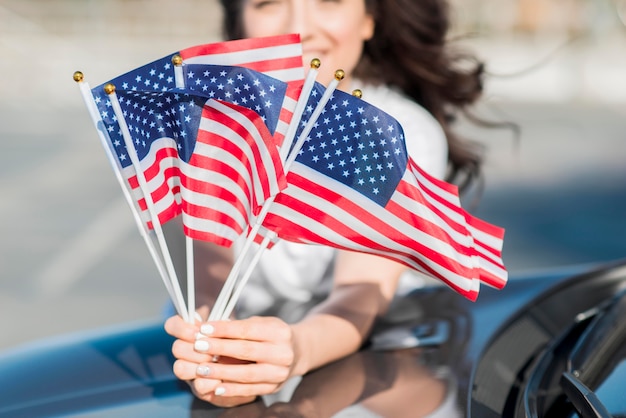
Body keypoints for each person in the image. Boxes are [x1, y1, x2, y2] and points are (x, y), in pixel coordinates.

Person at [164, 0, 486, 409]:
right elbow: (208, 283)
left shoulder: (391, 132)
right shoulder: (195, 126)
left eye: (328, 1)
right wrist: (211, 357)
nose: (300, 28)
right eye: (268, 3)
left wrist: (294, 350)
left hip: (384, 367)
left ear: (370, 19)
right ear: (237, 21)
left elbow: (360, 295)